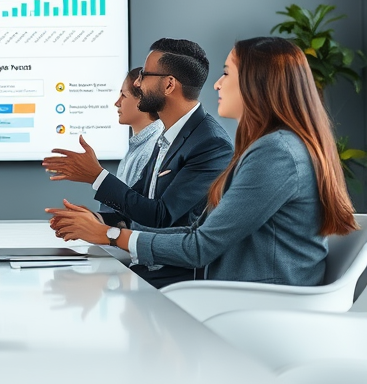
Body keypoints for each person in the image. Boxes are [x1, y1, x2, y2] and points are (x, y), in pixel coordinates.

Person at [47, 37, 358, 286]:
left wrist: (111, 235)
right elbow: (198, 231)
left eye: (226, 73)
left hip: (260, 300)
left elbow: (198, 246)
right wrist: (103, 226)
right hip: (240, 291)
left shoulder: (276, 154)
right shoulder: (271, 147)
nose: (216, 85)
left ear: (256, 83)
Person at [42, 38, 233, 287]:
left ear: (168, 84)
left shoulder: (211, 143)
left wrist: (96, 176)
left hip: (177, 281)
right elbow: (140, 205)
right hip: (146, 268)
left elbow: (161, 216)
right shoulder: (168, 134)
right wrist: (95, 220)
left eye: (144, 74)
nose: (137, 82)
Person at [112, 67, 163, 189]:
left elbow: (134, 205)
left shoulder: (152, 148)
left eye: (123, 95)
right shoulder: (137, 147)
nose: (117, 103)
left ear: (142, 99)